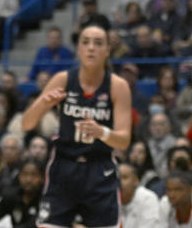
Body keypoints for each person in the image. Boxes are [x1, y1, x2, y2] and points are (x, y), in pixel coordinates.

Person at [21, 16, 132, 228]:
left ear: (108, 50)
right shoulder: (62, 79)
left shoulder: (118, 86)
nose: (91, 48)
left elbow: (124, 141)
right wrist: (42, 104)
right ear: (78, 49)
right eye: (86, 42)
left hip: (100, 169)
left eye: (98, 43)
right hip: (64, 167)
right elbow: (26, 124)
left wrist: (102, 133)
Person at [0, 158, 45, 228]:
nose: (28, 179)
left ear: (42, 178)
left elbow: (36, 225)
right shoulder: (11, 196)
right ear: (19, 176)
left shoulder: (47, 200)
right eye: (24, 174)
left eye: (34, 175)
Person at [119, 162, 162, 228]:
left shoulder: (147, 198)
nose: (119, 183)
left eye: (124, 178)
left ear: (136, 181)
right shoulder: (110, 198)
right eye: (117, 178)